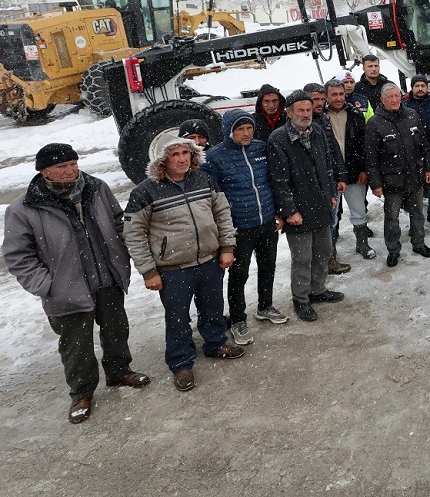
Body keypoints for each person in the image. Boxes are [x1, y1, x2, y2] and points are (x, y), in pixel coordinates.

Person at [3, 144, 150, 424]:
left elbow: (119, 222)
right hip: (66, 290)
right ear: (44, 171)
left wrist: (124, 253)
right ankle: (81, 393)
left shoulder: (97, 188)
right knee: (76, 345)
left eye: (73, 163)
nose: (70, 170)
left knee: (116, 330)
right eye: (61, 166)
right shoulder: (24, 208)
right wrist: (48, 285)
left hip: (107, 278)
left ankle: (119, 371)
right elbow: (17, 256)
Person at [123, 138, 243, 393]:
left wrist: (227, 247)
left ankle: (215, 344)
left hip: (209, 261)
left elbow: (222, 213)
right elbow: (134, 234)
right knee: (177, 318)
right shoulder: (145, 191)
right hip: (173, 269)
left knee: (213, 307)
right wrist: (148, 271)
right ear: (162, 161)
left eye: (186, 153)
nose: (182, 159)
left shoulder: (204, 180)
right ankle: (181, 363)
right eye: (175, 154)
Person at [201, 110, 289, 347]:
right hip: (239, 228)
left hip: (267, 222)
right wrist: (226, 230)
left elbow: (274, 181)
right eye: (240, 129)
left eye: (249, 128)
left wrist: (279, 212)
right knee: (239, 275)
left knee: (268, 266)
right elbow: (212, 198)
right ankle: (238, 319)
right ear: (229, 131)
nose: (247, 133)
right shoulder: (215, 157)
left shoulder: (261, 149)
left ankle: (265, 305)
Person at [267, 90, 347, 322]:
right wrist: (289, 210)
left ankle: (318, 290)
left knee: (323, 251)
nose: (305, 114)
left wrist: (330, 194)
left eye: (308, 110)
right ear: (289, 112)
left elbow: (325, 165)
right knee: (302, 258)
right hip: (298, 209)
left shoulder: (318, 131)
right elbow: (279, 181)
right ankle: (301, 299)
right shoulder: (279, 139)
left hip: (320, 203)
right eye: (300, 110)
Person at [365, 83, 430, 267]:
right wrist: (376, 184)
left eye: (397, 96)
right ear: (382, 100)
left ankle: (419, 243)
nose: (395, 100)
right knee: (392, 218)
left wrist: (428, 167)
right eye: (390, 97)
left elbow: (424, 145)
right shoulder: (375, 123)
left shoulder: (412, 115)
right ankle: (393, 250)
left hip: (415, 176)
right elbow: (371, 158)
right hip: (392, 180)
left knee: (418, 213)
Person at [324, 78, 376, 260]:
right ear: (326, 96)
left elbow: (365, 144)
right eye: (334, 94)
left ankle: (362, 244)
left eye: (341, 94)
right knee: (330, 215)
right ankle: (330, 253)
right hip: (330, 175)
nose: (338, 98)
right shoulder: (320, 117)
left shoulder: (355, 114)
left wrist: (364, 169)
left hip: (354, 171)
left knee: (358, 210)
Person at [306, 81, 352, 275]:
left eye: (321, 99)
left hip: (330, 180)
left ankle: (329, 259)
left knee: (331, 221)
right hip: (311, 183)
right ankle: (316, 261)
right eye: (314, 99)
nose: (318, 103)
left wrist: (341, 175)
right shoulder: (301, 121)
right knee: (316, 224)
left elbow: (333, 149)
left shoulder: (324, 119)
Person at [403, 75, 430, 228]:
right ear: (412, 87)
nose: (420, 89)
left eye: (423, 86)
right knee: (412, 184)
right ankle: (414, 215)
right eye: (417, 86)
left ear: (427, 87)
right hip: (411, 149)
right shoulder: (404, 104)